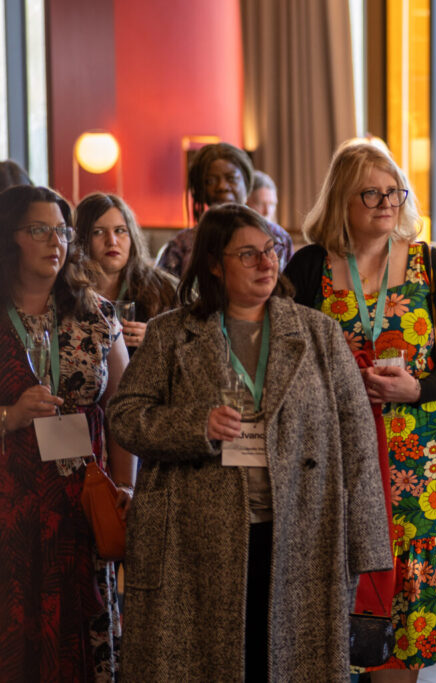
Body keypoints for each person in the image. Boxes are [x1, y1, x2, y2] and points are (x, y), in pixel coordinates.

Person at [108, 204, 391, 681]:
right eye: (248, 255)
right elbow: (125, 417)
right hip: (195, 540)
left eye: (270, 251)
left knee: (284, 662)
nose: (266, 264)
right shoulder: (171, 334)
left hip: (302, 531)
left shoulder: (318, 333)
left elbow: (358, 437)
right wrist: (196, 427)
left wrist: (367, 549)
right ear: (215, 263)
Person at [285, 140, 436, 680]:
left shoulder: (429, 264)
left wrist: (416, 389)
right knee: (336, 590)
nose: (385, 203)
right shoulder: (307, 268)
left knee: (406, 620)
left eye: (393, 191)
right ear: (341, 201)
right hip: (338, 459)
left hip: (422, 469)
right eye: (370, 193)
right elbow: (283, 360)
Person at [0, 184, 135, 680]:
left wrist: (127, 486)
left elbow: (122, 410)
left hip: (82, 504)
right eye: (39, 230)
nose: (54, 241)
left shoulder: (97, 315)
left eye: (60, 230)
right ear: (8, 237)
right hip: (9, 507)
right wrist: (10, 417)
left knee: (81, 630)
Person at [157, 142, 293, 277]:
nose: (222, 187)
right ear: (198, 190)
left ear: (246, 182)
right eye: (210, 181)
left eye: (231, 178)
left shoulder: (277, 238)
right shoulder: (180, 246)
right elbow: (167, 295)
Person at [74, 193, 179, 353]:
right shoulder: (68, 290)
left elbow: (196, 342)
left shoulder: (164, 289)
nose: (112, 241)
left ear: (132, 237)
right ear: (81, 239)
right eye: (98, 232)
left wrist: (160, 339)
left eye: (120, 230)